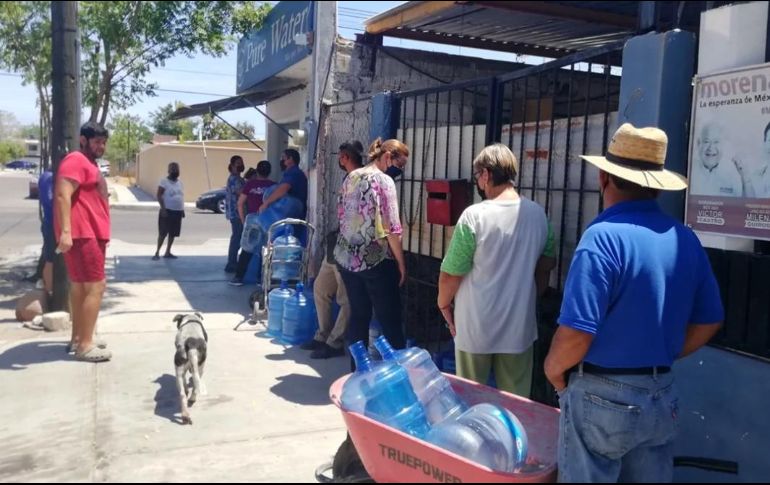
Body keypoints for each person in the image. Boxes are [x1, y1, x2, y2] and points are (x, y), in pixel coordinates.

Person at [544, 123, 724, 482]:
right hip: (661, 394)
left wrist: (552, 369)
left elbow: (577, 333)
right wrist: (662, 353)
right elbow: (709, 321)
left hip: (600, 396)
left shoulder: (601, 238)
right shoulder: (685, 239)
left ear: (603, 177)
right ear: (656, 185)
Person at [437, 144, 555, 397]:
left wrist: (444, 306)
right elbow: (546, 265)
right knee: (517, 402)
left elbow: (451, 274)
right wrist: (529, 295)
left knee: (470, 399)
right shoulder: (538, 215)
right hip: (519, 327)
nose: (478, 184)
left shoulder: (474, 216)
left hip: (475, 326)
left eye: (477, 176)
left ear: (487, 174)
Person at [335, 138, 409, 370]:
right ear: (387, 157)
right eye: (400, 163)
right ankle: (396, 378)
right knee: (391, 321)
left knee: (359, 315)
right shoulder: (384, 180)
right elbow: (391, 227)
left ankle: (357, 373)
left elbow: (341, 214)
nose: (400, 169)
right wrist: (401, 263)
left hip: (347, 258)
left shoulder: (351, 177)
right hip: (374, 259)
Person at [55, 121, 113, 363]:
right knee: (96, 287)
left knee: (79, 288)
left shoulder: (88, 163)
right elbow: (62, 193)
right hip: (83, 233)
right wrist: (66, 232)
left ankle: (79, 337)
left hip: (89, 232)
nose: (101, 146)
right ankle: (85, 346)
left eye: (103, 142)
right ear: (83, 140)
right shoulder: (76, 159)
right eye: (97, 141)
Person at [302, 141, 364, 359]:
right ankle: (322, 335)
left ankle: (335, 342)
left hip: (349, 245)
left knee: (345, 298)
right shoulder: (349, 179)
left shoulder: (360, 179)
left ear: (345, 157)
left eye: (340, 156)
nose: (339, 160)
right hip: (338, 243)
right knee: (320, 288)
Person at [229, 160, 276, 286]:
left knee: (247, 248)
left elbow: (240, 203)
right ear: (269, 171)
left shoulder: (250, 184)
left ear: (257, 171)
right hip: (267, 219)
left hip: (252, 219)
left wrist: (244, 220)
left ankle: (238, 277)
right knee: (266, 249)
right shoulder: (273, 186)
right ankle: (262, 280)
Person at [690, 122, 742, 197]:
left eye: (716, 142)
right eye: (706, 142)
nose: (711, 148)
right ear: (698, 143)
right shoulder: (689, 170)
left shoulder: (732, 174)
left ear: (722, 145)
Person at [260, 149, 308, 219]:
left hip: (293, 210)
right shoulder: (293, 173)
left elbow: (283, 189)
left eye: (283, 157)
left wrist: (266, 203)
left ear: (290, 159)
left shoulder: (293, 172)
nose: (281, 160)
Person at [153, 162, 185, 260]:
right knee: (163, 233)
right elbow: (159, 195)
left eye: (177, 168)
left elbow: (181, 196)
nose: (175, 170)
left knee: (173, 233)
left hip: (177, 211)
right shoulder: (164, 182)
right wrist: (163, 209)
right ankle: (157, 252)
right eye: (173, 168)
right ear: (169, 170)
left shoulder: (180, 183)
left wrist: (182, 210)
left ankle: (168, 252)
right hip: (167, 211)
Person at [734, 121, 770, 198]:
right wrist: (745, 177)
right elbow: (749, 206)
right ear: (764, 143)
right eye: (769, 140)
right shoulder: (755, 176)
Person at [225, 155, 245, 273]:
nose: (241, 165)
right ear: (232, 166)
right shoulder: (234, 179)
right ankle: (231, 264)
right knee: (236, 238)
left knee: (238, 237)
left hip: (238, 213)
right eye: (238, 163)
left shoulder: (239, 178)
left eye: (241, 162)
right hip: (236, 213)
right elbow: (241, 192)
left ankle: (233, 262)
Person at [38, 170, 55, 295]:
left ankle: (49, 289)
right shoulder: (50, 177)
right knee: (50, 259)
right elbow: (51, 200)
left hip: (50, 223)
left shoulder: (47, 176)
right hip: (51, 224)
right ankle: (48, 291)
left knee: (51, 259)